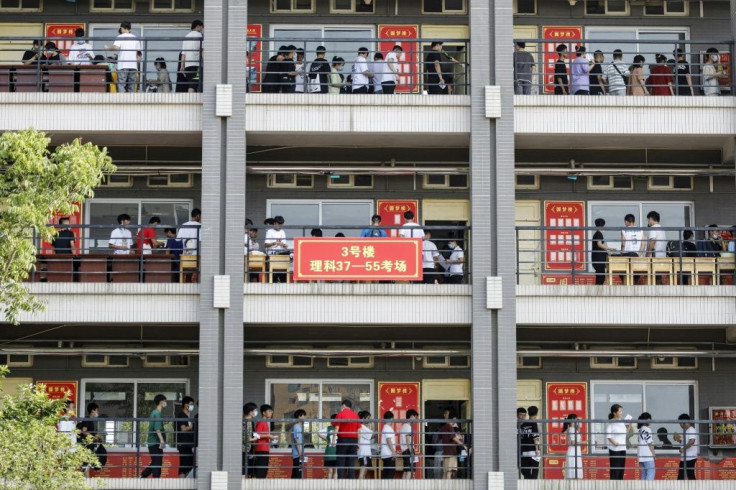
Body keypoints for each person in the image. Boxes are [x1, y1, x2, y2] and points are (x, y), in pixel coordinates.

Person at [104, 21, 141, 93]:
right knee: (132, 84)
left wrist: (107, 47)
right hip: (133, 65)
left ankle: (122, 101)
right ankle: (131, 101)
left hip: (123, 65)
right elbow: (138, 55)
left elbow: (116, 48)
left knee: (121, 84)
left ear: (122, 28)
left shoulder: (120, 37)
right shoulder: (135, 38)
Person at [141, 394, 167, 478]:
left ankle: (143, 476)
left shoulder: (154, 412)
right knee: (157, 465)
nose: (166, 403)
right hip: (155, 443)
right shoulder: (157, 413)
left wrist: (163, 423)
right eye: (165, 401)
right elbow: (157, 429)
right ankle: (156, 482)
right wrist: (162, 440)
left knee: (156, 462)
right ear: (161, 402)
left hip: (153, 443)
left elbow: (156, 425)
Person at [333, 399, 360, 479]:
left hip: (343, 440)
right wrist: (358, 443)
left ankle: (342, 482)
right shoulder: (356, 415)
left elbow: (336, 428)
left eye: (341, 405)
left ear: (344, 405)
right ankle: (351, 482)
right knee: (351, 463)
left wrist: (334, 440)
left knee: (340, 462)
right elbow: (358, 430)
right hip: (353, 441)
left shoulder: (340, 414)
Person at [77, 402, 106, 477]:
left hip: (87, 446)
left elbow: (88, 432)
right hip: (86, 446)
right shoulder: (88, 419)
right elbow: (84, 430)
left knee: (86, 465)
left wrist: (96, 436)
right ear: (93, 411)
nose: (98, 412)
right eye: (97, 410)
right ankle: (86, 483)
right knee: (85, 465)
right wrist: (94, 437)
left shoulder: (90, 420)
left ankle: (86, 482)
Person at [180, 20, 204, 93]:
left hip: (187, 65)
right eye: (201, 27)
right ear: (197, 26)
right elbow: (201, 50)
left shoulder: (186, 37)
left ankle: (191, 100)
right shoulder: (200, 36)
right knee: (193, 86)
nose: (202, 29)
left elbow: (183, 54)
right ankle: (190, 102)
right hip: (195, 65)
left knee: (191, 84)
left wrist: (182, 66)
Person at [606, 403, 628, 480]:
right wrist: (615, 443)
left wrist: (629, 426)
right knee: (615, 470)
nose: (621, 413)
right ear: (614, 413)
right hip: (615, 449)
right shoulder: (611, 422)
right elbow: (608, 436)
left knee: (621, 469)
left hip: (622, 448)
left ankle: (620, 485)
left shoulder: (621, 422)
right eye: (620, 411)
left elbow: (625, 434)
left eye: (621, 411)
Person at [253, 404, 275, 478]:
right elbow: (256, 435)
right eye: (269, 411)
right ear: (264, 413)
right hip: (260, 449)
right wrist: (268, 436)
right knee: (261, 470)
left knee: (264, 470)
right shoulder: (261, 421)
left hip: (264, 448)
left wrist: (269, 437)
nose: (271, 413)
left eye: (271, 411)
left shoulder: (265, 422)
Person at [177, 396, 196, 478]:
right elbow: (183, 429)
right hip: (184, 445)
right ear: (185, 405)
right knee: (184, 467)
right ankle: (181, 485)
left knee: (189, 465)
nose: (192, 406)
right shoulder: (182, 415)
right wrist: (191, 427)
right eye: (191, 404)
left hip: (188, 445)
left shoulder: (187, 416)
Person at [519, 406, 541, 479]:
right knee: (534, 471)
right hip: (533, 451)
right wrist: (537, 449)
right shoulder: (534, 423)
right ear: (536, 414)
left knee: (526, 473)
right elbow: (535, 438)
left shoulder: (523, 424)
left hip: (524, 451)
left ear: (528, 413)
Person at [592, 218, 615, 285]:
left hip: (597, 258)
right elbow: (599, 244)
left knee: (600, 276)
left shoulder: (596, 234)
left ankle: (598, 291)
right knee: (601, 276)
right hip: (598, 259)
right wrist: (609, 248)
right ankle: (598, 291)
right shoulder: (599, 234)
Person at [675, 414, 698, 480]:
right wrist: (678, 440)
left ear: (683, 422)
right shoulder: (687, 431)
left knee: (688, 475)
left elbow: (692, 441)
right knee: (683, 476)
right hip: (685, 458)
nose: (680, 425)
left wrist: (683, 449)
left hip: (689, 457)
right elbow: (686, 442)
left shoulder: (691, 430)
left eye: (680, 423)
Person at [439, 413, 461, 479]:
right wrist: (463, 445)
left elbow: (438, 439)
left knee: (445, 472)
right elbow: (453, 438)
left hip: (445, 452)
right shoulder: (449, 427)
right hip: (451, 452)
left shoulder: (443, 428)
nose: (455, 422)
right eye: (454, 420)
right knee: (449, 472)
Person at [399, 409, 418, 479]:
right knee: (410, 470)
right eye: (415, 417)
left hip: (405, 451)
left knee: (406, 470)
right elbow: (408, 440)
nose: (416, 420)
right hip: (408, 450)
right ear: (411, 416)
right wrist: (412, 452)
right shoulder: (408, 427)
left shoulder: (403, 426)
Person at [562, 414, 582, 479]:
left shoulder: (572, 429)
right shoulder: (571, 429)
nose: (577, 421)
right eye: (576, 419)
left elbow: (579, 436)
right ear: (572, 420)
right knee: (575, 475)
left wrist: (578, 426)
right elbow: (573, 442)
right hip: (574, 452)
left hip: (574, 452)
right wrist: (585, 442)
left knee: (574, 474)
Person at [318, 414, 338, 479]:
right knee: (333, 471)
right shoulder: (330, 428)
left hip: (334, 452)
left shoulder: (329, 428)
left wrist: (327, 439)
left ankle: (332, 487)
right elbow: (319, 433)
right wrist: (327, 439)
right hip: (333, 452)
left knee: (333, 471)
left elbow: (319, 433)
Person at [637, 412, 656, 481]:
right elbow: (650, 443)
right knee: (651, 472)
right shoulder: (647, 429)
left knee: (644, 473)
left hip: (640, 455)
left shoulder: (640, 430)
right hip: (647, 455)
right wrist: (653, 454)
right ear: (647, 419)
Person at [242, 402, 258, 478]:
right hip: (244, 449)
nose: (256, 412)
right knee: (244, 469)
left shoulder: (247, 421)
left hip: (247, 449)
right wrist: (255, 438)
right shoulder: (247, 422)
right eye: (255, 410)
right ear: (250, 412)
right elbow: (246, 438)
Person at [380, 411, 397, 480]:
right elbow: (388, 440)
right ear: (391, 418)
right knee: (390, 474)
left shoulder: (386, 427)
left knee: (387, 473)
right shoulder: (387, 428)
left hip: (386, 454)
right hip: (388, 454)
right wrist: (393, 452)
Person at [290, 409, 307, 479]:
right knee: (297, 471)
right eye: (304, 416)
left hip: (299, 452)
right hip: (297, 453)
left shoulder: (300, 427)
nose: (305, 417)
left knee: (299, 471)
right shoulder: (296, 427)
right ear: (299, 416)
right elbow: (296, 440)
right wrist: (300, 453)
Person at [357, 411, 373, 479]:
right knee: (362, 473)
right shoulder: (361, 427)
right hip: (364, 453)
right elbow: (371, 435)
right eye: (368, 418)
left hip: (365, 453)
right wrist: (372, 427)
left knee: (364, 473)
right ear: (364, 418)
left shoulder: (363, 427)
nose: (370, 420)